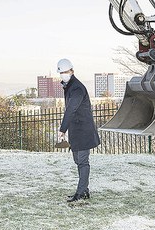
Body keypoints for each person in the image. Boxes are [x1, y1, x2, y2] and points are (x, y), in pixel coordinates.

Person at [56, 58, 100, 202]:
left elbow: (71, 109)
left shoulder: (76, 88)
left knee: (82, 161)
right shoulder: (70, 86)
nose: (63, 74)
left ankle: (81, 193)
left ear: (72, 71)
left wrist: (62, 129)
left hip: (83, 131)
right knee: (78, 160)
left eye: (66, 71)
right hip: (77, 130)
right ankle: (84, 190)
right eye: (61, 72)